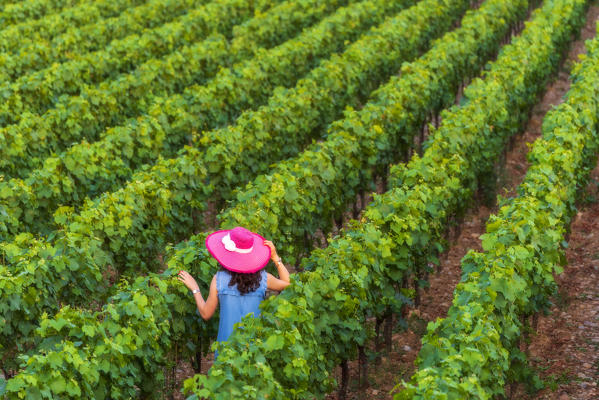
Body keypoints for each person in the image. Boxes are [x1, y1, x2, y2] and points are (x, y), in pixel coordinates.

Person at [178, 226, 290, 349]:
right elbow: (287, 283)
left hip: (226, 351)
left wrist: (195, 288)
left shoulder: (219, 279)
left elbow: (206, 314)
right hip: (254, 350)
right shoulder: (263, 278)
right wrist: (275, 258)